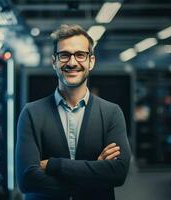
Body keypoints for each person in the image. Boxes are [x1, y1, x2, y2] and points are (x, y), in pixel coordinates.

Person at [16, 24, 131, 200]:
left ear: (91, 61)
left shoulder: (111, 113)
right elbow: (27, 179)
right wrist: (95, 174)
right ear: (54, 61)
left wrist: (55, 165)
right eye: (64, 55)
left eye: (80, 55)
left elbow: (118, 173)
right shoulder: (31, 113)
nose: (71, 62)